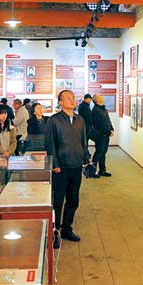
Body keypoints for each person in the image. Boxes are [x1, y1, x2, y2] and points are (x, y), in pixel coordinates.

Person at [46, 90, 90, 248]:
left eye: (73, 97)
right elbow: (50, 144)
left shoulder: (80, 120)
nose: (73, 100)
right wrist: (55, 164)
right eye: (69, 98)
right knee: (58, 201)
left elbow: (83, 141)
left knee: (73, 200)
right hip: (61, 167)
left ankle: (67, 228)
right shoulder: (54, 120)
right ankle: (55, 231)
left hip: (76, 166)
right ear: (61, 102)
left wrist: (86, 159)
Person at [90, 94, 114, 177]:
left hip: (105, 135)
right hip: (100, 135)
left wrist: (111, 129)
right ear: (97, 100)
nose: (102, 97)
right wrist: (108, 132)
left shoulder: (103, 109)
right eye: (100, 96)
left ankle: (102, 170)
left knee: (103, 153)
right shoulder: (96, 110)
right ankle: (92, 172)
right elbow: (98, 125)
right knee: (98, 153)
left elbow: (108, 120)